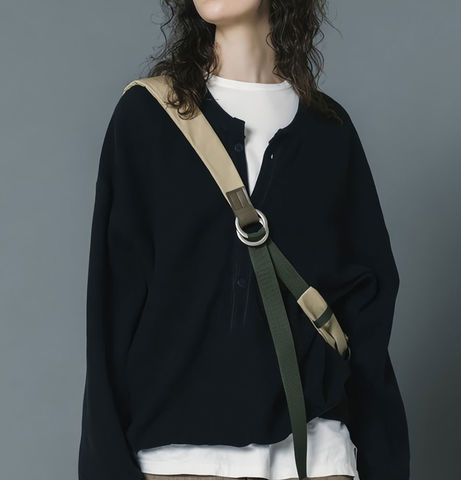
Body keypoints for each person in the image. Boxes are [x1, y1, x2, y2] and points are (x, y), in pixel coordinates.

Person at [78, 1, 410, 480]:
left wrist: (384, 463)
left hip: (318, 457)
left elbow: (367, 317)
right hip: (181, 459)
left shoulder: (330, 131)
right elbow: (113, 306)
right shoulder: (147, 117)